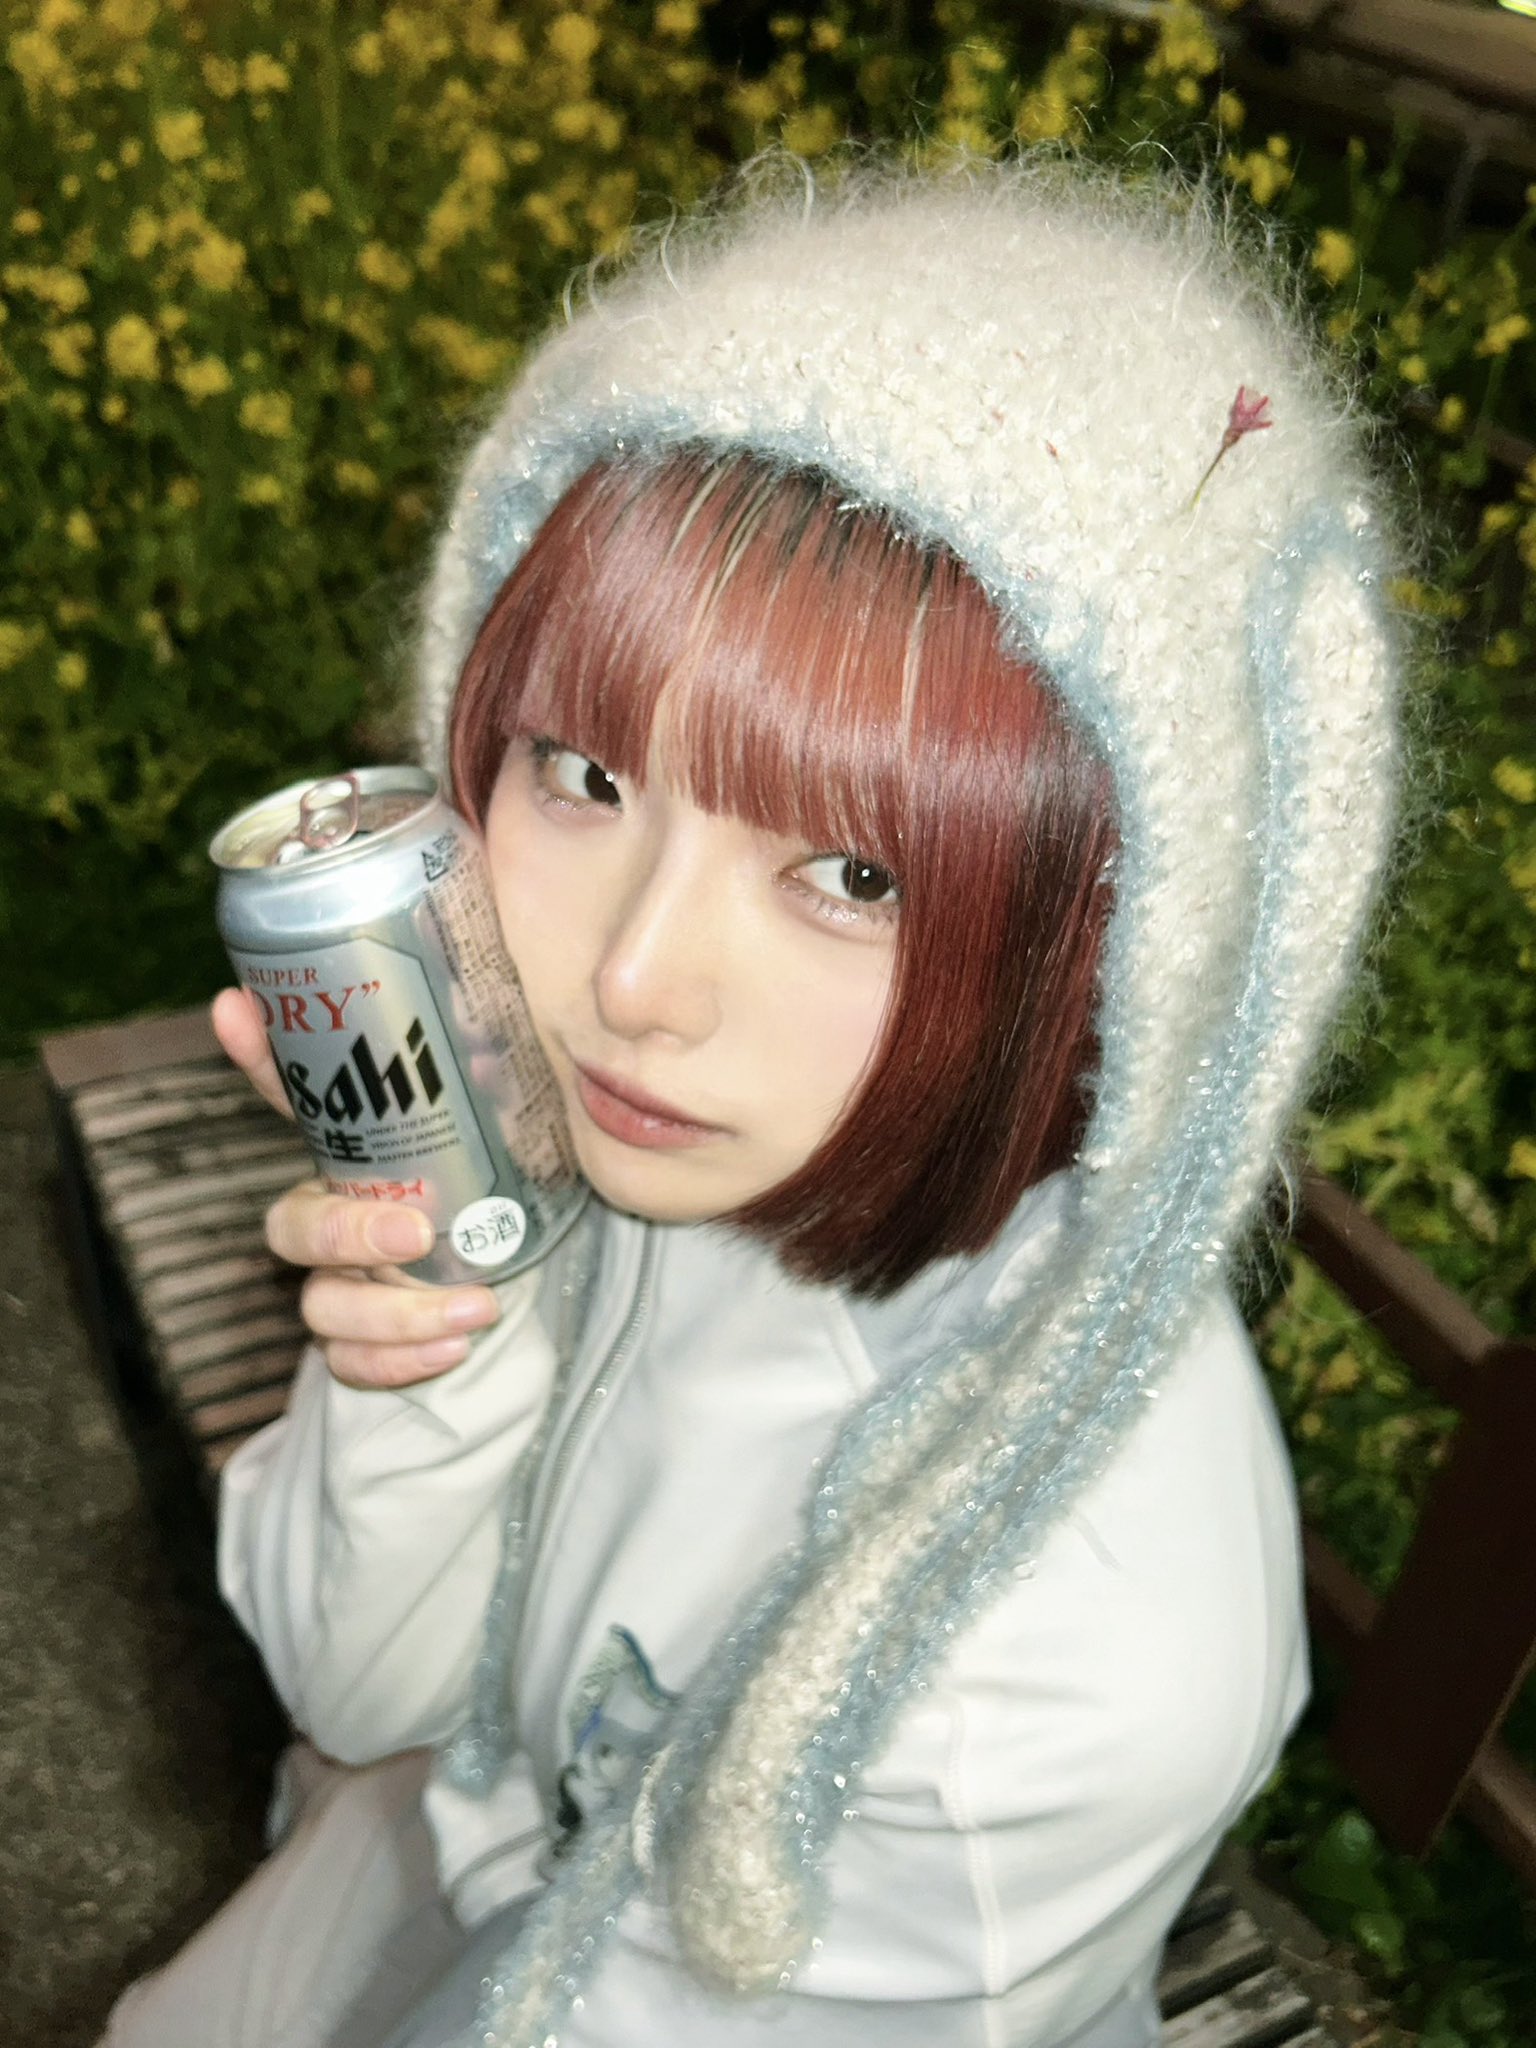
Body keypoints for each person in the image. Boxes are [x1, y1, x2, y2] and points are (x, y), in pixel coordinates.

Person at [101, 155, 1400, 2048]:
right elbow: (359, 1695)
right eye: (584, 775)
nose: (635, 984)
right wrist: (432, 1352)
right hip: (459, 1816)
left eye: (854, 875)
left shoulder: (1053, 1685)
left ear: (1118, 943)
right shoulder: (646, 1129)